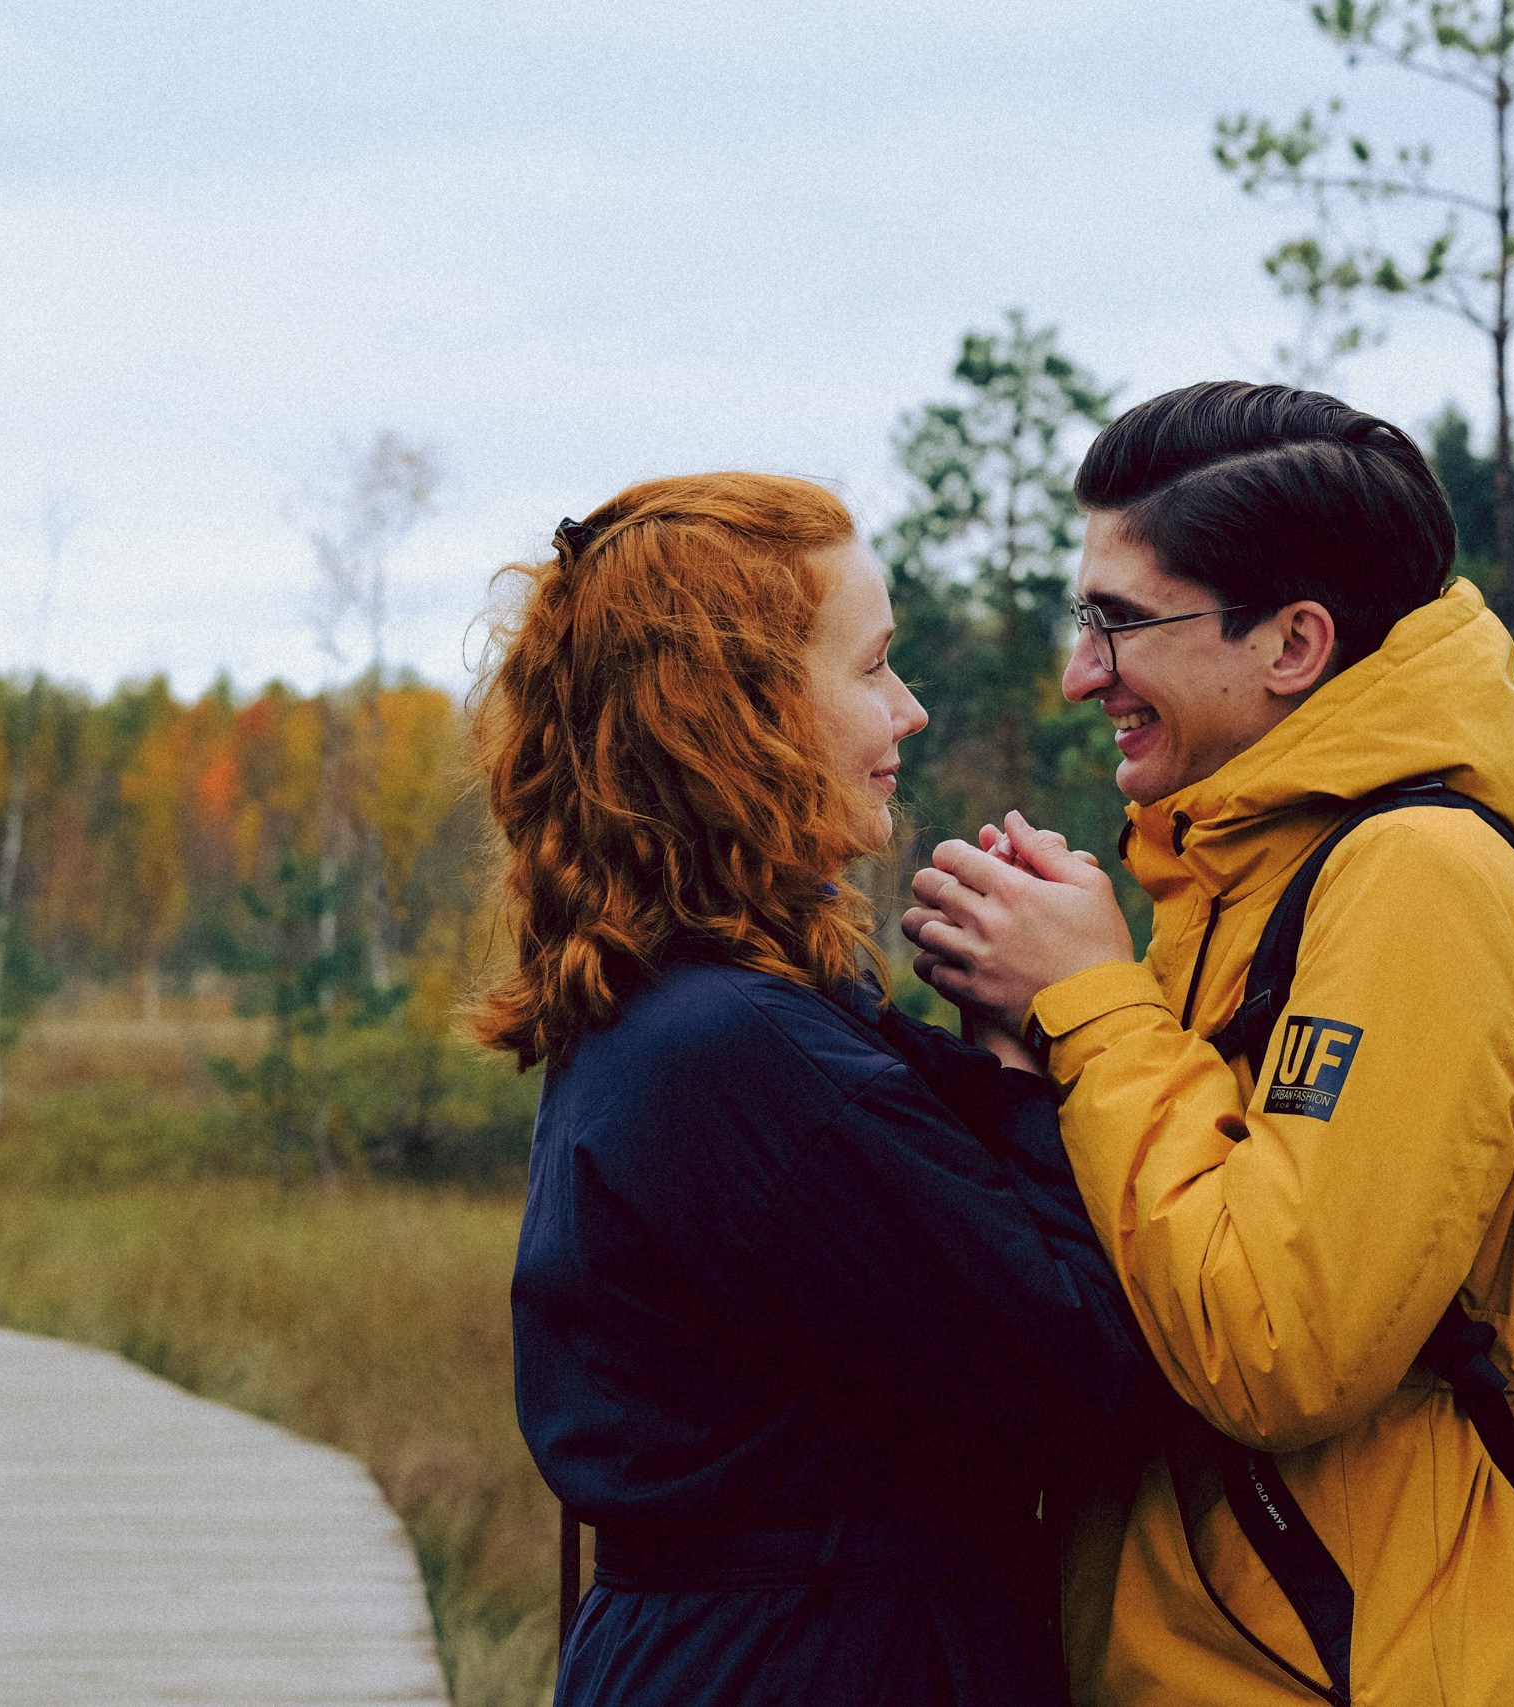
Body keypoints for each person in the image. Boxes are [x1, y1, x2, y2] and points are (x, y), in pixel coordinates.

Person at [904, 382, 1514, 1707]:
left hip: (1373, 1666)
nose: (1081, 674)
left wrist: (1099, 1003)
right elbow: (1164, 1235)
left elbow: (1278, 1343)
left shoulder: (1419, 879)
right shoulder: (1232, 868)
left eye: (1119, 623)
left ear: (1293, 642)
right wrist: (1026, 1033)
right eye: (1084, 618)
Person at [479, 472, 1166, 1707]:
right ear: (732, 713)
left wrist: (998, 1035)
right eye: (870, 669)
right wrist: (1055, 1024)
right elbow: (1084, 1383)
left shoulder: (689, 1010)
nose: (905, 713)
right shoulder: (739, 1053)